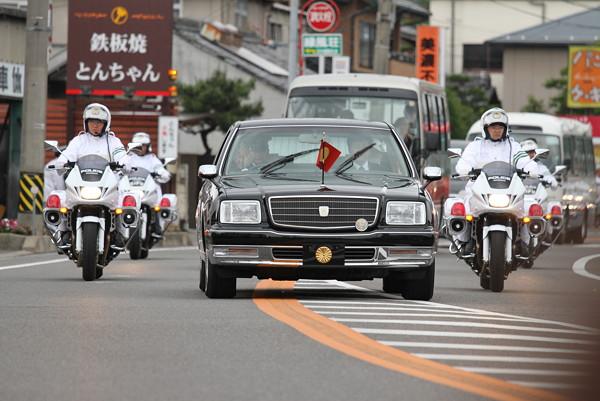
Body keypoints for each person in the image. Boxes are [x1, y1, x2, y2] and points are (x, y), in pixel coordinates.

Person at [453, 108, 539, 256]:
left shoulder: (513, 146)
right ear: (486, 128)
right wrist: (465, 169)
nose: (497, 130)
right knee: (464, 207)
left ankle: (524, 242)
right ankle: (465, 241)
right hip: (480, 188)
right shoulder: (476, 146)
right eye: (493, 127)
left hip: (507, 188)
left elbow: (522, 159)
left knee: (527, 208)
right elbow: (464, 161)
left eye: (500, 127)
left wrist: (530, 168)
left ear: (505, 129)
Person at [57, 103, 126, 166]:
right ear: (86, 123)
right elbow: (68, 154)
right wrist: (62, 162)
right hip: (80, 179)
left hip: (108, 178)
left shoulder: (113, 141)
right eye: (91, 122)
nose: (95, 126)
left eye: (99, 122)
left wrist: (124, 163)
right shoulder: (78, 140)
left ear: (105, 124)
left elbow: (121, 156)